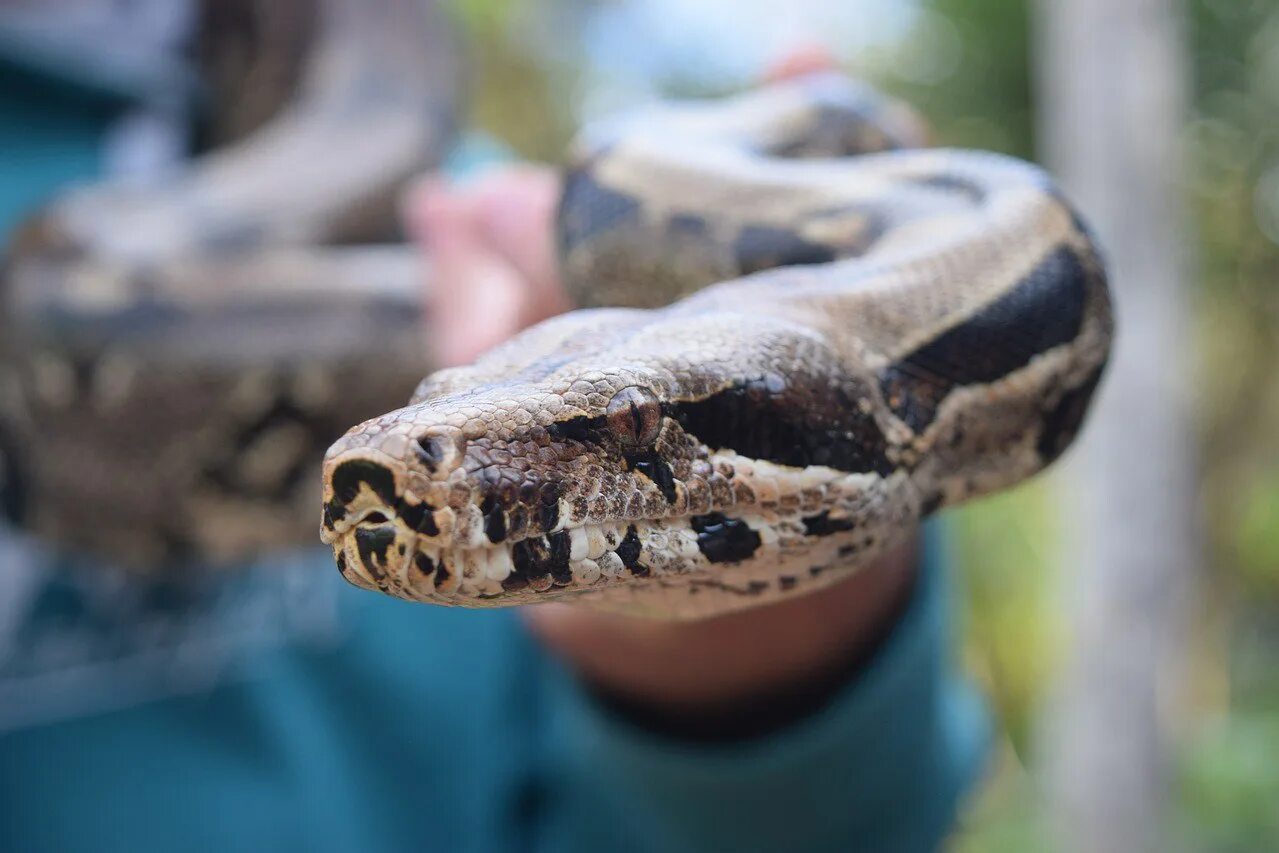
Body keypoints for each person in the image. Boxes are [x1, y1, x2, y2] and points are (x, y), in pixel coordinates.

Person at [0, 12, 988, 852]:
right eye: (434, 398)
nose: (412, 454)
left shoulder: (494, 232)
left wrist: (745, 673)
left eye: (633, 424)